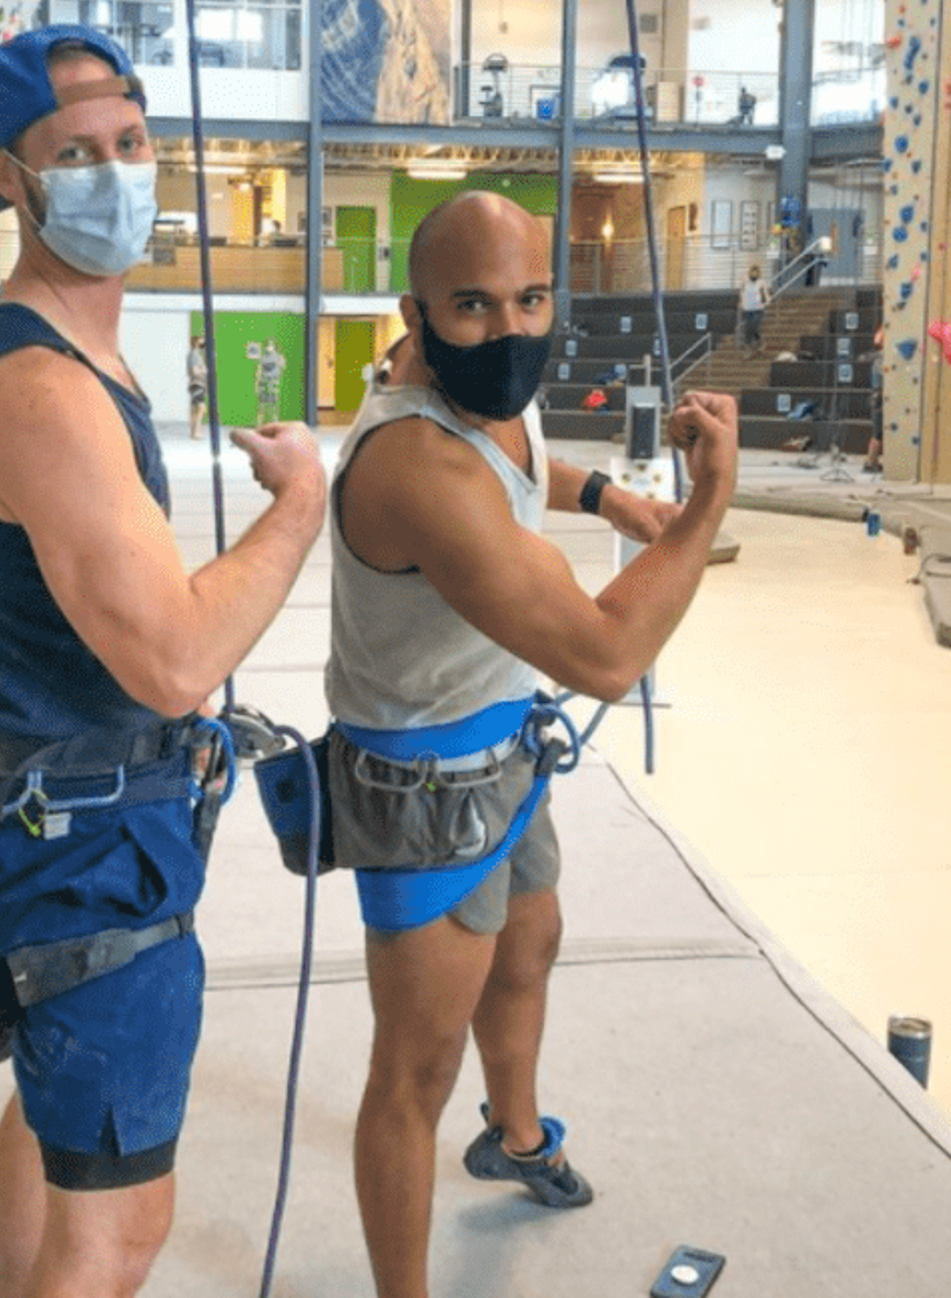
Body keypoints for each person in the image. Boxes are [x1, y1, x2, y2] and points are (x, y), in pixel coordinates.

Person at [0, 22, 326, 1298]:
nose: (115, 172)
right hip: (86, 845)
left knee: (52, 1125)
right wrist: (298, 507)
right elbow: (171, 658)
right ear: (9, 175)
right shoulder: (42, 385)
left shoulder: (76, 352)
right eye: (75, 153)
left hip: (38, 811)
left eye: (132, 143)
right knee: (121, 1225)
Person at [324, 191, 738, 1298]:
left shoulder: (484, 399)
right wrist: (701, 509)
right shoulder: (413, 461)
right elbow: (605, 653)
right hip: (421, 782)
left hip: (502, 743)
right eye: (471, 305)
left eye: (530, 298)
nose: (508, 329)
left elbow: (522, 462)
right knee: (413, 1065)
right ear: (413, 314)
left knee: (529, 944)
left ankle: (511, 1135)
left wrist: (609, 497)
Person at [863, 324, 885, 473]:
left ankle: (872, 461)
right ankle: (870, 462)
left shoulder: (879, 359)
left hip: (877, 397)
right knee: (878, 433)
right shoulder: (882, 360)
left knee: (878, 432)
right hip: (879, 398)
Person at [256, 338, 286, 425]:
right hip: (264, 383)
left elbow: (281, 368)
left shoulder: (278, 357)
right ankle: (261, 420)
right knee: (263, 402)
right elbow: (259, 371)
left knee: (273, 403)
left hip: (273, 383)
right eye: (268, 346)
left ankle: (275, 420)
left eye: (271, 346)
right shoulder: (263, 358)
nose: (269, 348)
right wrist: (258, 383)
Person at [739, 264, 769, 351]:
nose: (754, 275)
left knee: (754, 326)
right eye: (752, 273)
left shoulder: (761, 282)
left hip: (757, 308)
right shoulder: (745, 282)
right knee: (748, 327)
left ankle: (759, 342)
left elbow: (765, 295)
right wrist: (742, 303)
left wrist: (765, 303)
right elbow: (742, 293)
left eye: (756, 273)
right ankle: (748, 345)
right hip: (747, 308)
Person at [186, 333, 209, 439]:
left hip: (197, 383)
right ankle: (196, 433)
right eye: (201, 340)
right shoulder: (194, 355)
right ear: (196, 341)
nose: (203, 342)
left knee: (196, 408)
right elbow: (195, 371)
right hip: (197, 383)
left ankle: (194, 432)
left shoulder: (196, 354)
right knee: (200, 408)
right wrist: (204, 371)